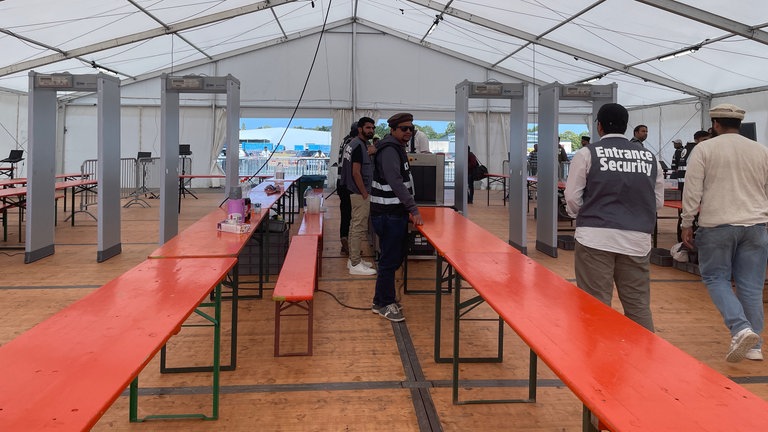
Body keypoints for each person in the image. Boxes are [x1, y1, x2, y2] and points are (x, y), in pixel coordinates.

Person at [564, 103, 664, 332]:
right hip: (637, 238)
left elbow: (572, 197)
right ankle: (645, 360)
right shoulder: (650, 158)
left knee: (596, 304)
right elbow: (657, 202)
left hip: (594, 237)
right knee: (638, 304)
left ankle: (596, 361)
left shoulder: (587, 153)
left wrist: (583, 214)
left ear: (599, 126)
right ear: (627, 126)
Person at [681, 103, 768, 363]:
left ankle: (740, 328)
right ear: (739, 124)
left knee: (716, 278)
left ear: (715, 124)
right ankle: (755, 346)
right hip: (755, 226)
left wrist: (687, 221)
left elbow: (693, 189)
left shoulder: (704, 148)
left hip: (717, 225)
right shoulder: (761, 150)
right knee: (751, 287)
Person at [370, 112, 423, 322]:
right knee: (389, 261)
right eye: (404, 129)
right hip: (388, 214)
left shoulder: (395, 148)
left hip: (394, 213)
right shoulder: (390, 150)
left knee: (392, 258)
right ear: (393, 130)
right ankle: (383, 303)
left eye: (411, 129)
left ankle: (381, 299)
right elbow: (396, 182)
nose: (408, 132)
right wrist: (413, 209)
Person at [340, 117, 377, 276]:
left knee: (354, 225)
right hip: (358, 192)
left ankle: (353, 259)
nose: (371, 131)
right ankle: (355, 263)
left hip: (352, 190)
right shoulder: (358, 146)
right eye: (368, 128)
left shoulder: (353, 143)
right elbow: (356, 172)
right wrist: (364, 192)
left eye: (373, 128)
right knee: (358, 226)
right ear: (360, 128)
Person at [336, 122, 357, 255]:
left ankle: (345, 241)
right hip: (348, 184)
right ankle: (349, 245)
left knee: (345, 214)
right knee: (352, 216)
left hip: (341, 183)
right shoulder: (353, 144)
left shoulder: (345, 140)